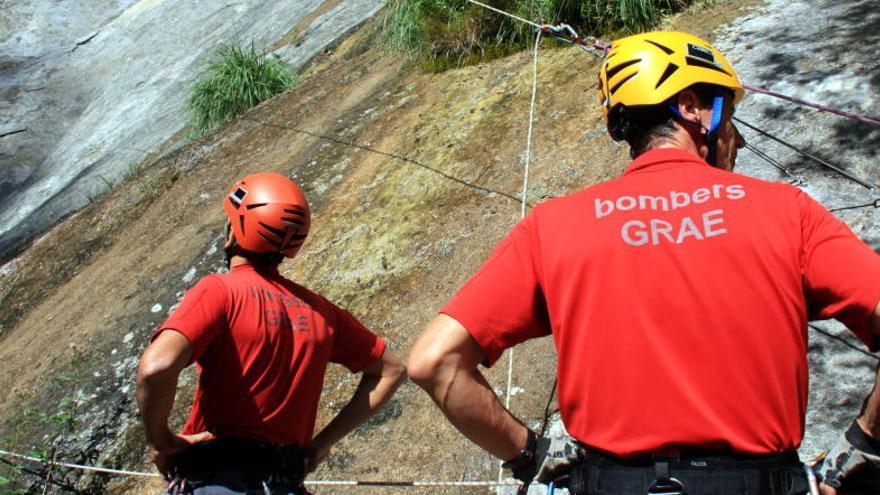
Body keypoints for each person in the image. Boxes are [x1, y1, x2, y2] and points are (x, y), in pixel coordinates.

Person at [407, 31, 880, 495]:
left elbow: (434, 360)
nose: (734, 137)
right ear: (693, 106)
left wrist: (531, 455)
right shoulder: (786, 210)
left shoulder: (553, 225)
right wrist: (863, 445)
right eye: (729, 115)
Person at [136, 172, 405, 494]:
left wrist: (160, 441)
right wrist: (321, 444)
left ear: (235, 229)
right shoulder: (322, 312)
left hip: (218, 475)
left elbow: (156, 367)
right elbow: (392, 369)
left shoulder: (219, 291)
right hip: (285, 481)